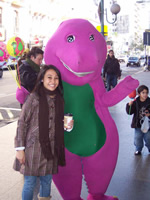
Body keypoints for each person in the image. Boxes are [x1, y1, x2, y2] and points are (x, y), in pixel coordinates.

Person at [13, 65, 73, 200]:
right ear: (42, 79)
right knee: (30, 183)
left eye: (56, 78)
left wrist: (66, 126)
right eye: (49, 77)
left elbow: (56, 122)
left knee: (46, 182)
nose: (53, 81)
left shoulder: (59, 99)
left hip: (50, 149)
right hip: (32, 149)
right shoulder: (34, 98)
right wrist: (19, 148)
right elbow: (22, 123)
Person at [126, 85, 150, 155]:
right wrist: (129, 105)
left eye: (146, 93)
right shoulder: (135, 102)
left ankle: (149, 148)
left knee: (148, 138)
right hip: (138, 124)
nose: (145, 94)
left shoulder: (149, 101)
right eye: (143, 93)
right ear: (139, 93)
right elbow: (130, 112)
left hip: (147, 125)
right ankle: (138, 149)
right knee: (138, 138)